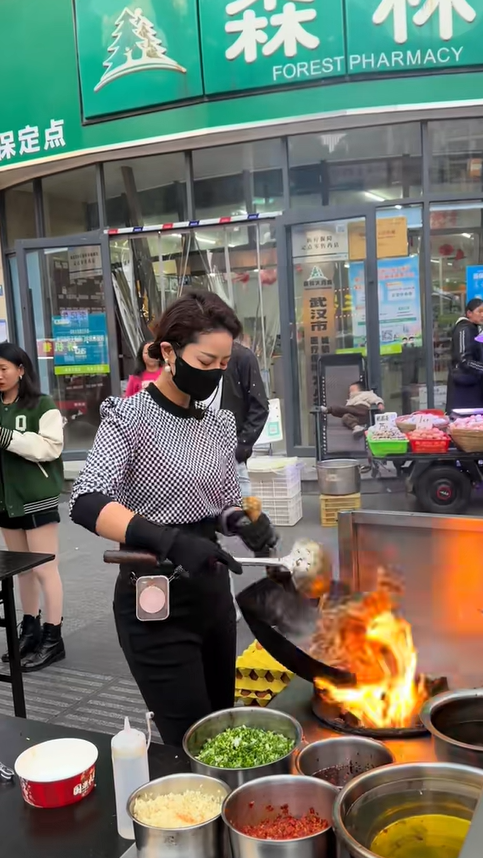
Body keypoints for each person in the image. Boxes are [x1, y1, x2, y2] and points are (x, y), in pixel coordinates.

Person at [70, 291, 277, 745]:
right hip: (154, 600)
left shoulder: (218, 424)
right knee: (190, 742)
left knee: (222, 731)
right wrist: (168, 540)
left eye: (224, 365)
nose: (215, 373)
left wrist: (242, 523)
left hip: (212, 597)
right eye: (206, 361)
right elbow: (86, 501)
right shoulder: (128, 417)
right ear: (169, 351)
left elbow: (221, 504)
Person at [0, 343, 65, 672]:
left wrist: (7, 437)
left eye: (3, 369)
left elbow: (51, 448)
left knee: (44, 569)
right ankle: (30, 629)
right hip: (5, 501)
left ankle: (54, 637)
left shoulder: (42, 404)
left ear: (21, 370)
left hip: (37, 498)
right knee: (21, 570)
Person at [200, 339, 269, 620]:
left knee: (253, 528)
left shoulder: (241, 357)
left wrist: (241, 447)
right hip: (196, 461)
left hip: (232, 459)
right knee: (211, 537)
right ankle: (224, 604)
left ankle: (271, 587)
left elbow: (259, 406)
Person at [446, 299, 483, 412]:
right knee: (465, 418)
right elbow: (464, 359)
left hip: (472, 383)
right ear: (469, 313)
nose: (482, 315)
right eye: (479, 311)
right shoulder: (464, 329)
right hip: (464, 385)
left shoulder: (474, 328)